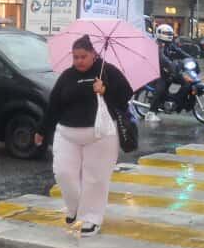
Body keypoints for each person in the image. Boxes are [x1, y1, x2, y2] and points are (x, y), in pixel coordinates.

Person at [34, 35, 133, 236]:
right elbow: (54, 105)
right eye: (75, 57)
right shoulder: (67, 76)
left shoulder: (108, 71)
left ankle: (92, 218)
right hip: (67, 133)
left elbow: (126, 97)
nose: (78, 61)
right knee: (63, 173)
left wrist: (105, 90)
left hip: (101, 134)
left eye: (83, 56)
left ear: (94, 55)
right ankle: (75, 207)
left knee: (95, 179)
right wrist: (42, 130)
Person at [145, 24, 191, 123]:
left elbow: (179, 52)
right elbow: (162, 58)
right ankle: (151, 113)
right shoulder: (157, 45)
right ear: (160, 33)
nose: (168, 35)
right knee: (161, 87)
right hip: (157, 72)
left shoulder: (170, 44)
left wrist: (190, 58)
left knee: (186, 82)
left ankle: (176, 102)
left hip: (168, 71)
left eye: (170, 33)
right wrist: (171, 65)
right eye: (166, 33)